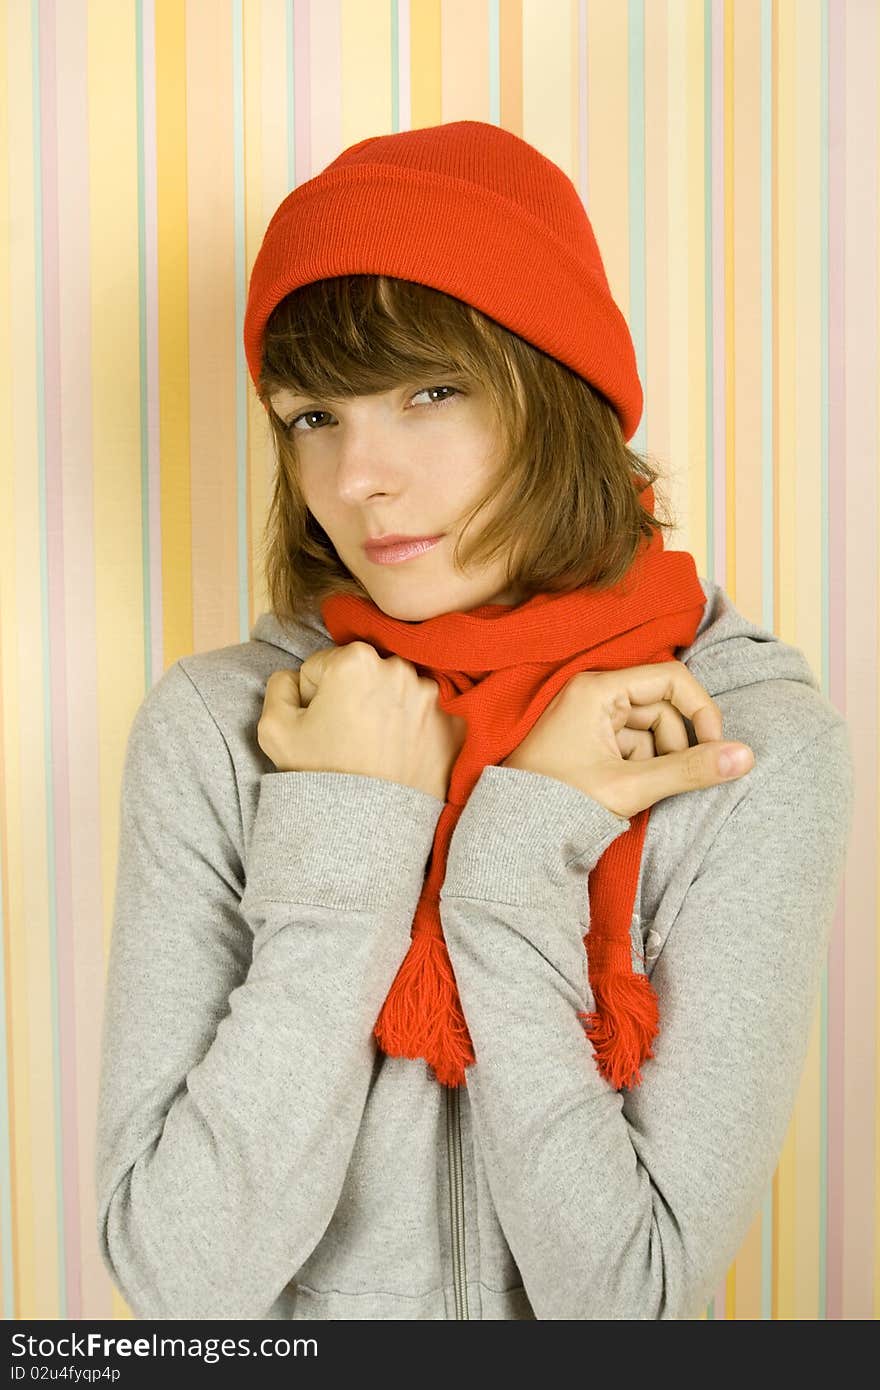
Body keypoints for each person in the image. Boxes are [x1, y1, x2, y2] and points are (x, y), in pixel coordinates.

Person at [94, 120, 855, 1321]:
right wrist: (349, 826)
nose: (359, 479)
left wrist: (514, 847)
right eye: (312, 417)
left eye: (429, 392)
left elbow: (632, 1301)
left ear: (559, 391)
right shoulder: (220, 726)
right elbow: (182, 1282)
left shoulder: (738, 739)